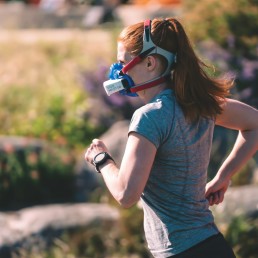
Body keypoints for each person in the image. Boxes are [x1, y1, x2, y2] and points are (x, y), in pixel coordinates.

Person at [84, 17, 258, 258]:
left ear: (150, 63)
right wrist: (223, 177)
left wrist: (101, 159)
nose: (117, 70)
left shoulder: (149, 117)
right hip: (213, 245)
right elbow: (254, 124)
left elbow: (126, 194)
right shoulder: (200, 104)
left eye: (122, 62)